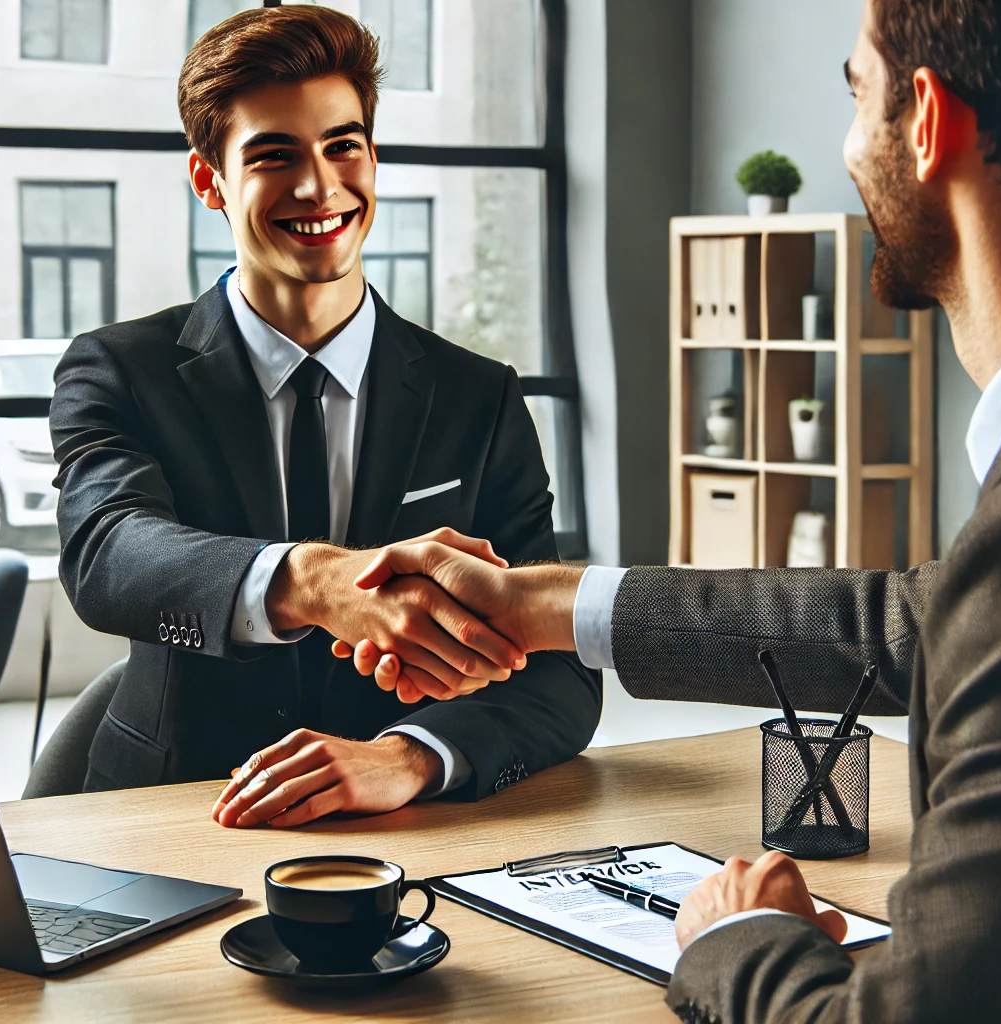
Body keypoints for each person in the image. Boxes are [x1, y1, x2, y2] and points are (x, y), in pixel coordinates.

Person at [336, 0, 1001, 1019]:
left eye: (855, 93)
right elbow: (911, 624)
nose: (849, 142)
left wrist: (738, 938)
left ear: (925, 120)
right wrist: (539, 602)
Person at [47, 5, 600, 825]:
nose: (319, 186)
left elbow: (559, 668)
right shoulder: (119, 368)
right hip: (170, 814)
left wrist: (410, 756)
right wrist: (311, 581)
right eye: (274, 155)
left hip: (407, 828)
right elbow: (108, 554)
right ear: (211, 181)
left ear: (372, 156)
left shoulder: (478, 397)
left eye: (342, 145)